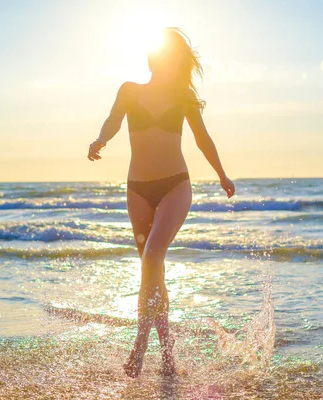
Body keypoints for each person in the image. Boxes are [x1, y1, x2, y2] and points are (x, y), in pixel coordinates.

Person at [87, 27, 235, 378]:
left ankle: (140, 345)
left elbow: (202, 138)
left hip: (175, 186)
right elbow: (112, 121)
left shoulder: (182, 96)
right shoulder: (129, 90)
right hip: (137, 187)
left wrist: (221, 174)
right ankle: (168, 353)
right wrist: (100, 140)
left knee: (153, 257)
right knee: (151, 268)